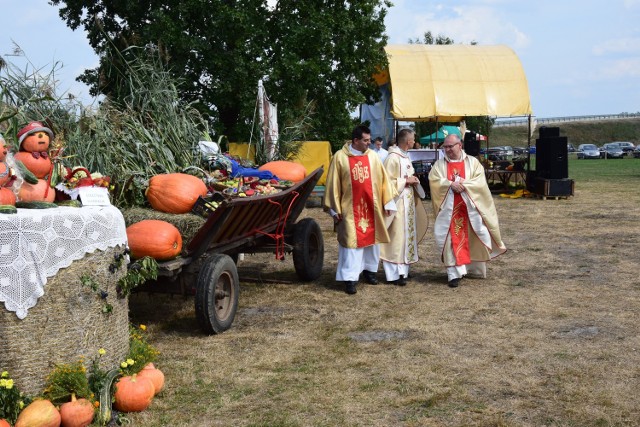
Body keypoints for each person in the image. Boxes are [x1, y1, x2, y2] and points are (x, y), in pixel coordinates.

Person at [324, 125, 397, 295]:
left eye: (369, 140)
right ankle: (350, 278)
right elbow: (333, 183)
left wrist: (388, 203)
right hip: (349, 208)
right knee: (351, 244)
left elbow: (383, 180)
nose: (369, 143)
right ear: (355, 141)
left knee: (373, 242)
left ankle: (370, 272)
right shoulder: (340, 157)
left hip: (372, 206)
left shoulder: (373, 157)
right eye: (365, 140)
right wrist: (334, 210)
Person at [428, 134, 506, 288]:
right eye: (445, 147)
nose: (448, 150)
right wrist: (450, 184)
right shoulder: (439, 164)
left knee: (474, 237)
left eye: (451, 146)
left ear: (460, 145)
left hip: (469, 208)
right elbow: (434, 180)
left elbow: (480, 182)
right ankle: (453, 274)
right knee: (450, 239)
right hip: (449, 210)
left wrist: (464, 185)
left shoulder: (473, 162)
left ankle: (471, 269)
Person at [379, 129, 429, 285]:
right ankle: (393, 274)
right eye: (413, 139)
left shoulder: (405, 156)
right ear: (408, 141)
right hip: (397, 203)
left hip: (407, 204)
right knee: (396, 237)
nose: (414, 141)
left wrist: (413, 180)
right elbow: (385, 182)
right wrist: (405, 181)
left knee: (406, 236)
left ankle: (403, 271)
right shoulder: (392, 158)